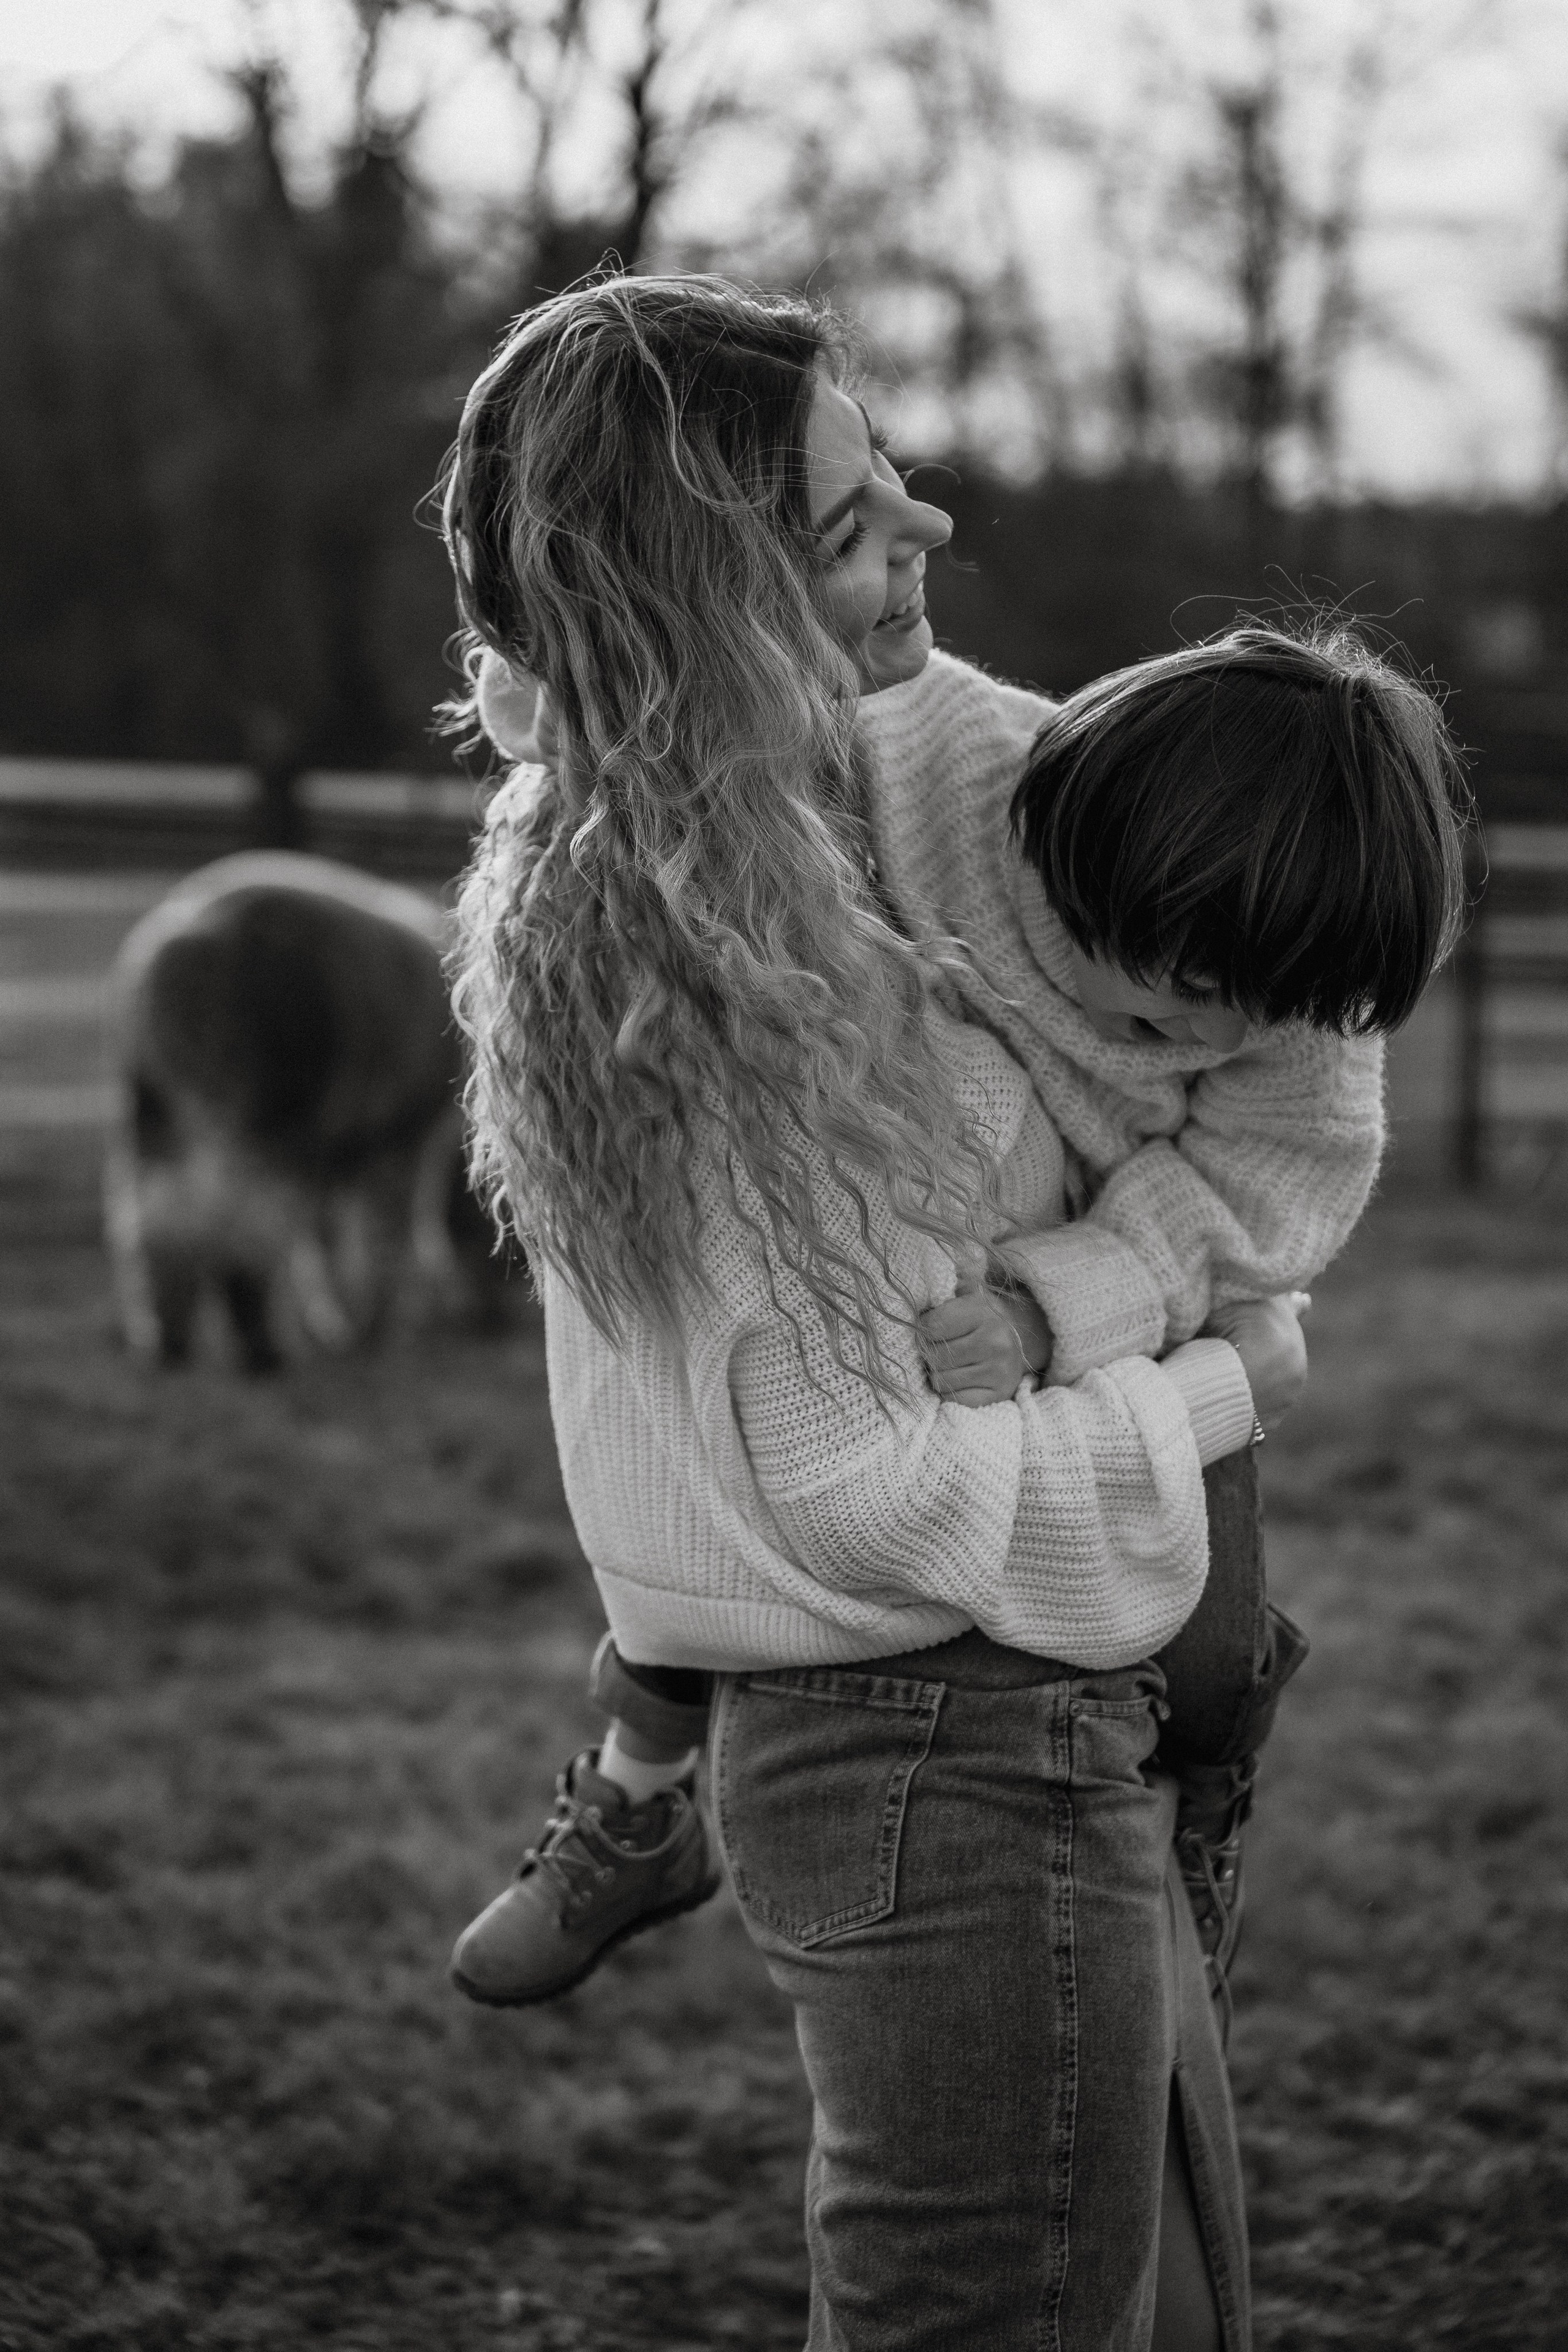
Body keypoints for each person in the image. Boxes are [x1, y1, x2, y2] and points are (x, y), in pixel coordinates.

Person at [435, 272, 1458, 2349]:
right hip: (945, 1722)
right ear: (704, 607)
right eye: (847, 518)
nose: (932, 531)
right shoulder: (720, 979)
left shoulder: (990, 766)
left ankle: (637, 1789)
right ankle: (630, 1792)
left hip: (1077, 1681)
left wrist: (1133, 1289)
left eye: (892, 465)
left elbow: (1299, 1105)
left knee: (1159, 2299)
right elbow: (862, 1489)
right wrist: (1213, 1382)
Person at [458, 622, 1467, 2035]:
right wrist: (557, 681)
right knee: (711, 1526)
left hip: (1152, 1298)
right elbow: (745, 705)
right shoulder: (953, 768)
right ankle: (634, 1801)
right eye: (1166, 983)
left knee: (1211, 1647)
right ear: (1078, 835)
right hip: (909, 1214)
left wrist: (1061, 1308)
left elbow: (1257, 1202)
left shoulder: (1303, 992)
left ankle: (1194, 1840)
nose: (1202, 1034)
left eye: (1255, 1013)